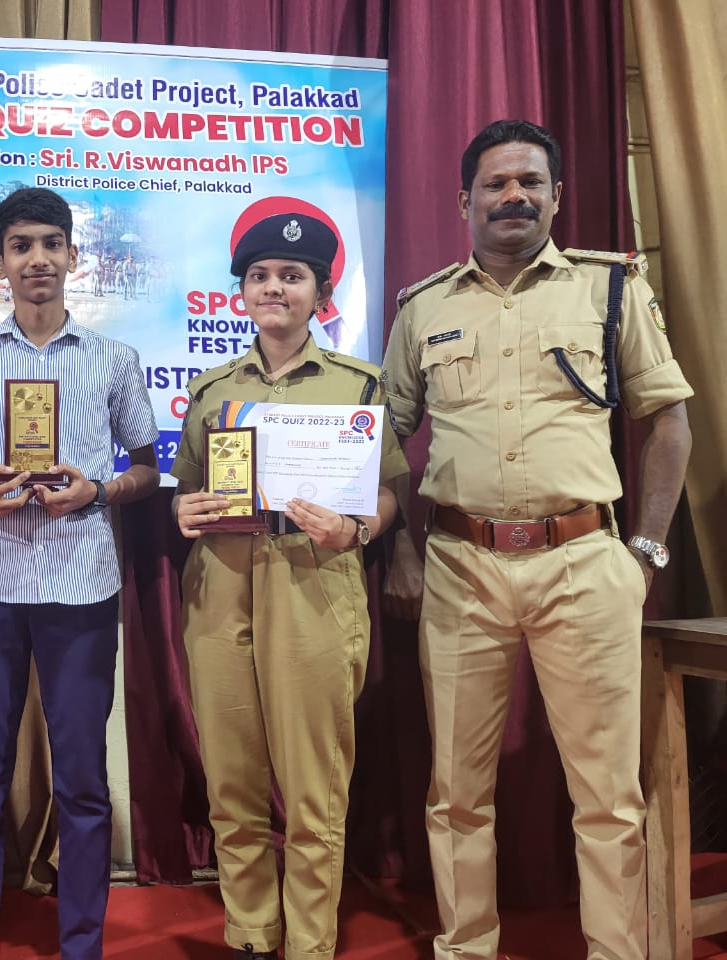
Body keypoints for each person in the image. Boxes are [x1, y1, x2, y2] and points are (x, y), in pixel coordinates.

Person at [381, 119, 694, 960]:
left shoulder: (609, 287)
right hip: (460, 567)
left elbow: (668, 421)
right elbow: (385, 435)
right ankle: (465, 949)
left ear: (557, 196)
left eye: (530, 182)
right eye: (496, 183)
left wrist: (646, 551)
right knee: (456, 794)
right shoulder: (423, 307)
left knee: (608, 796)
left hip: (584, 562)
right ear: (465, 201)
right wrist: (400, 551)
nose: (513, 196)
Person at [171, 210, 407, 960]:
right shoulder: (212, 389)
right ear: (242, 291)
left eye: (292, 276)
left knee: (314, 785)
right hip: (221, 583)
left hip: (314, 580)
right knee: (231, 779)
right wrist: (184, 510)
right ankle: (250, 932)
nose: (274, 288)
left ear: (321, 294)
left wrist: (356, 530)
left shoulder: (358, 385)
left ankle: (309, 942)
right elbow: (187, 486)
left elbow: (390, 491)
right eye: (260, 276)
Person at [0, 186, 160, 960]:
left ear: (73, 254)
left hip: (80, 586)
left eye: (50, 244)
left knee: (82, 782)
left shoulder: (113, 360)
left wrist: (96, 491)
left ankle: (82, 946)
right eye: (20, 246)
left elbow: (146, 468)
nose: (37, 259)